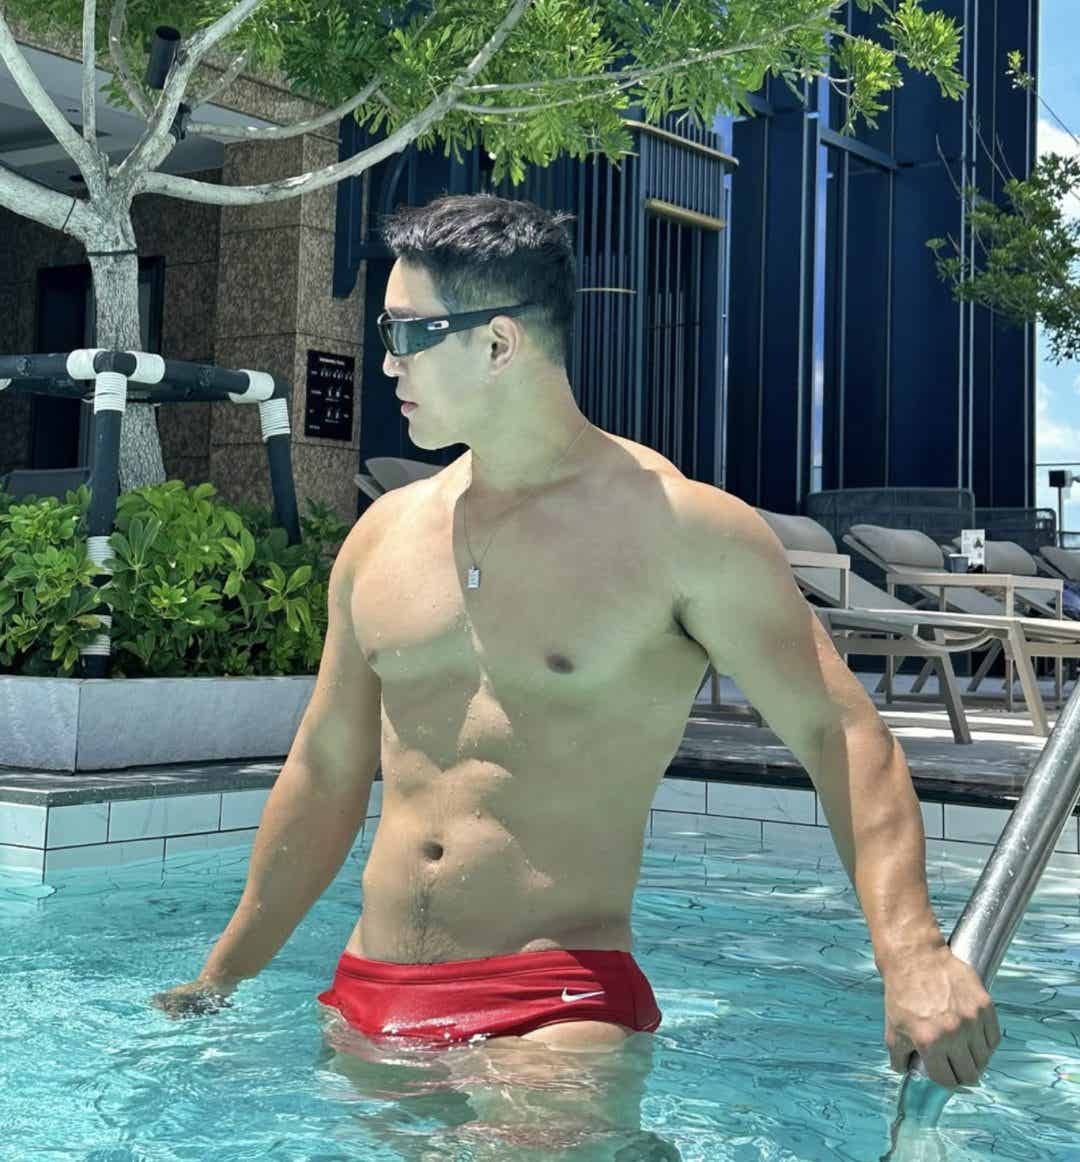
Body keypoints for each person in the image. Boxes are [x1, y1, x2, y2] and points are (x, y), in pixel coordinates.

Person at [151, 194, 1000, 1108]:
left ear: (498, 343)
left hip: (553, 1003)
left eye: (406, 333)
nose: (386, 360)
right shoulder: (383, 536)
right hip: (371, 992)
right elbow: (324, 770)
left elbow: (841, 733)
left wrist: (912, 951)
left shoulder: (681, 532)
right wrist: (220, 976)